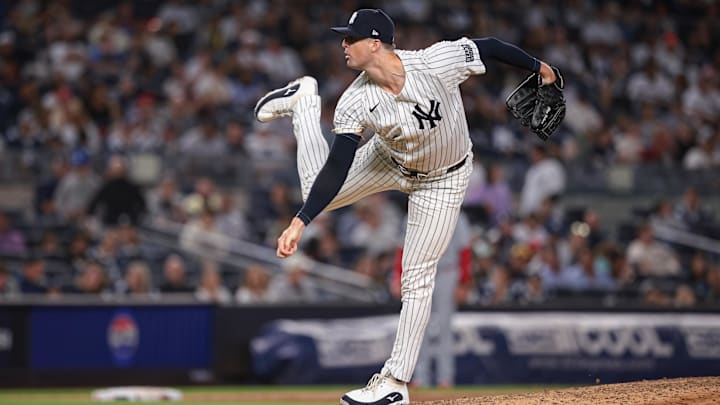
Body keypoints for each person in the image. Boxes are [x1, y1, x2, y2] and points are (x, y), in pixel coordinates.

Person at [254, 8, 559, 405]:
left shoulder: (436, 62)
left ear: (375, 42)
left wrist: (540, 67)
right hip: (389, 160)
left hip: (445, 178)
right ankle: (304, 102)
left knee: (417, 276)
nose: (343, 45)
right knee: (314, 188)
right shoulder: (354, 101)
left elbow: (490, 47)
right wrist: (300, 220)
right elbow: (337, 166)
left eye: (351, 38)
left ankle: (394, 383)